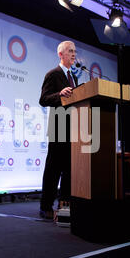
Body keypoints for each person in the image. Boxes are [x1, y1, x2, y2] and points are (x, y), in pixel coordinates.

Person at [38, 40, 78, 219]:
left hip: (73, 128)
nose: (74, 54)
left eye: (74, 51)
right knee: (53, 169)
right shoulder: (53, 74)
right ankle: (46, 206)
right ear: (60, 54)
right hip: (58, 125)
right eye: (70, 51)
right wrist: (59, 95)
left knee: (69, 169)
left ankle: (65, 204)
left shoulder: (74, 77)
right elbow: (44, 99)